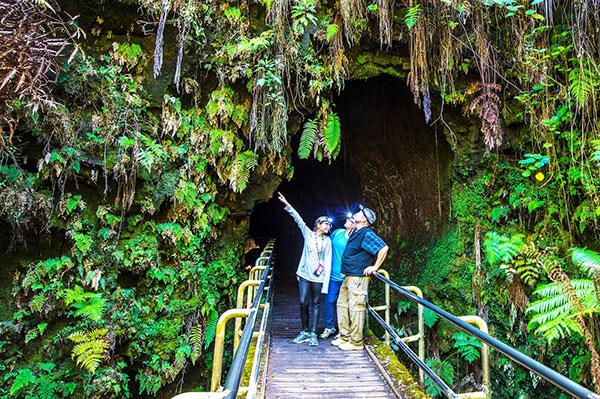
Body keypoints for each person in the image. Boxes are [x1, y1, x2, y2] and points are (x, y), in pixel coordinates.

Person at [278, 192, 332, 347]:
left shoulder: (328, 241)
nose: (327, 226)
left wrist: (326, 283)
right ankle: (305, 330)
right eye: (325, 224)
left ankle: (313, 333)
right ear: (318, 225)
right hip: (304, 275)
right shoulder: (308, 234)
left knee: (316, 304)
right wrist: (287, 204)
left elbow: (327, 261)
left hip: (319, 277)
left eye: (329, 225)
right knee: (303, 302)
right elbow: (298, 219)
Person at [334, 205, 388, 351]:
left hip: (358, 277)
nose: (355, 214)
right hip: (348, 275)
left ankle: (356, 341)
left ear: (364, 219)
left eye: (358, 213)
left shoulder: (367, 233)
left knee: (356, 307)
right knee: (342, 304)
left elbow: (383, 248)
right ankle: (344, 337)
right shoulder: (356, 232)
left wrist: (375, 267)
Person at [319, 215, 355, 339]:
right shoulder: (337, 232)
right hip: (332, 275)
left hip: (347, 277)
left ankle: (344, 330)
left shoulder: (355, 238)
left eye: (351, 220)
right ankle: (329, 326)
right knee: (329, 301)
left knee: (346, 304)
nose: (347, 220)